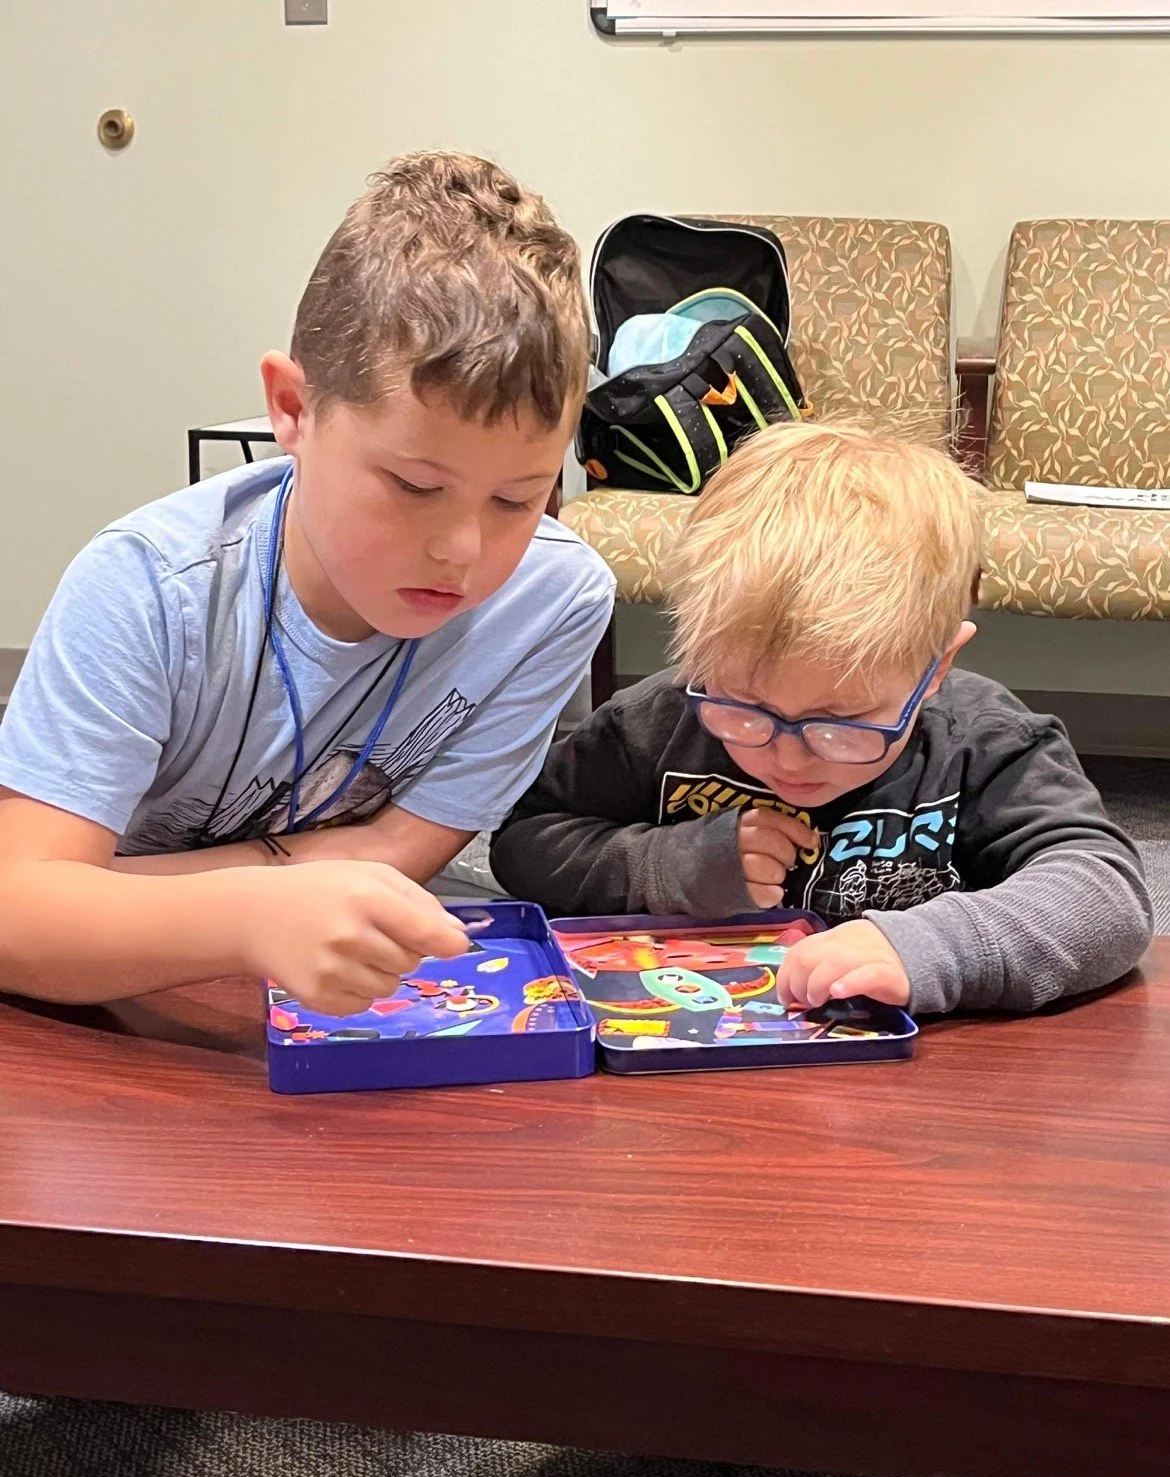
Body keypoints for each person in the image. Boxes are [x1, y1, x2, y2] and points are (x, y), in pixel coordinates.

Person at [0, 151, 614, 1016]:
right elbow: (19, 914)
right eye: (414, 486)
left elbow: (403, 849)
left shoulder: (553, 601)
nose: (462, 551)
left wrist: (118, 888)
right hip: (111, 1020)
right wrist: (251, 912)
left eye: (519, 498)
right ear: (291, 410)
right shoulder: (149, 586)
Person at [491, 420, 1152, 1015]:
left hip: (910, 1094)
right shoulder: (657, 720)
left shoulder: (986, 741)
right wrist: (667, 866)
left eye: (843, 726)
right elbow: (526, 843)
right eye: (744, 712)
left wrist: (928, 947)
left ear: (936, 670)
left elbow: (1104, 894)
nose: (788, 757)